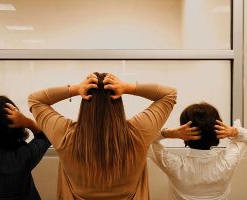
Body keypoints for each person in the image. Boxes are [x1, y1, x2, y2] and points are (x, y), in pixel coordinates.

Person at [28, 72, 177, 199]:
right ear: (118, 101)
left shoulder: (65, 136)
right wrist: (126, 87)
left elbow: (35, 99)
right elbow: (169, 94)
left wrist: (75, 89)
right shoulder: (138, 134)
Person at [149, 102, 247, 200]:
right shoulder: (227, 161)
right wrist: (235, 132)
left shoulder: (175, 165)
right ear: (217, 131)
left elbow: (144, 140)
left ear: (184, 134)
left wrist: (169, 133)